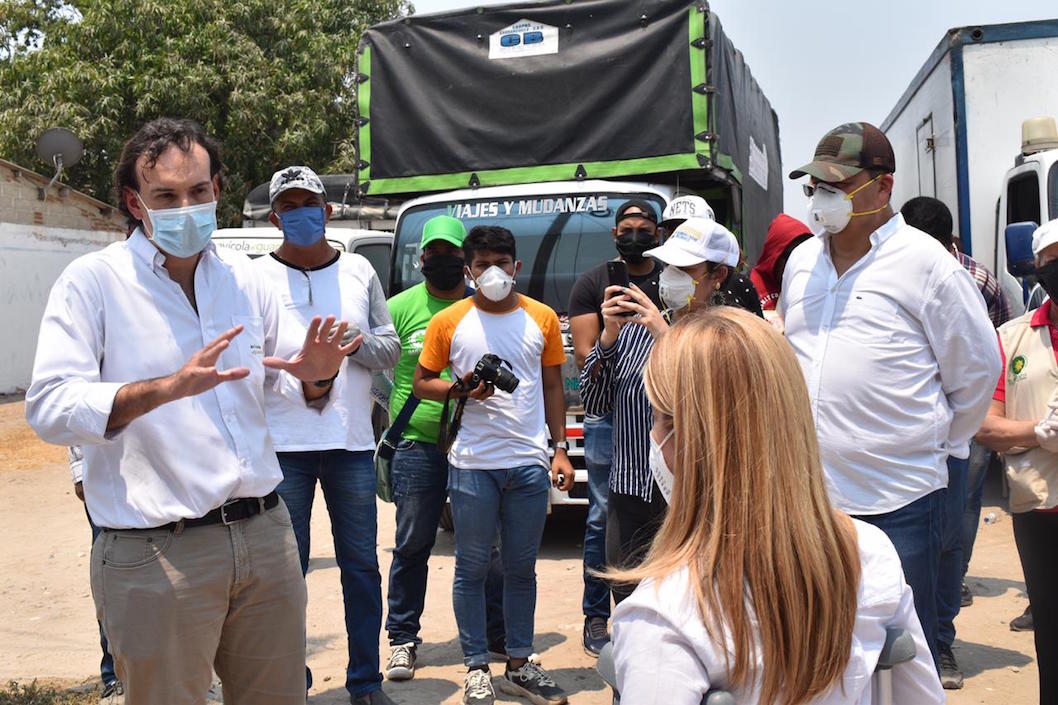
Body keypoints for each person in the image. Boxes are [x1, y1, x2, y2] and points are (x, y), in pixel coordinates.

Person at [25, 118, 356, 705]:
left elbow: (261, 396)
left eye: (198, 192)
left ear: (218, 190)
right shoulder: (93, 284)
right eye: (166, 197)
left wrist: (315, 377)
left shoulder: (242, 280)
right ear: (135, 202)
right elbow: (49, 407)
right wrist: (163, 389)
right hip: (158, 552)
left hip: (266, 537)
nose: (187, 208)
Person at [607, 309, 944, 705]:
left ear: (693, 441)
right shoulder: (869, 552)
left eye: (660, 420)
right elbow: (920, 697)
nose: (652, 436)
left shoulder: (663, 612)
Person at [782, 121, 1002, 669]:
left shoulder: (926, 265)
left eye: (838, 185)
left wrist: (937, 447)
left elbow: (977, 372)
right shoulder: (801, 263)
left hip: (903, 501)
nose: (822, 198)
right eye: (816, 187)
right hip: (815, 500)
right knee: (824, 651)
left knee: (905, 657)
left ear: (883, 188)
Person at [255, 165, 401, 704]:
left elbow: (390, 349)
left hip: (350, 446)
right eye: (289, 207)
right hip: (285, 449)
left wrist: (349, 345)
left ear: (328, 211)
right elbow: (248, 361)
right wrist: (303, 370)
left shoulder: (360, 271)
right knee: (284, 574)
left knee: (361, 567)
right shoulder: (255, 277)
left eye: (309, 204)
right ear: (275, 218)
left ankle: (365, 682)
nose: (301, 215)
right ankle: (292, 681)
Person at [413, 225, 573, 705]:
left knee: (523, 568)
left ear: (516, 267)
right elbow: (423, 382)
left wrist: (559, 448)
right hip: (472, 465)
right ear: (468, 271)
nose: (493, 272)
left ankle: (520, 665)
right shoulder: (450, 320)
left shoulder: (541, 318)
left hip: (527, 462)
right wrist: (460, 389)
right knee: (472, 567)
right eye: (482, 264)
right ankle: (477, 665)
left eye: (501, 262)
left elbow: (552, 387)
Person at [580, 217, 762, 606]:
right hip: (630, 492)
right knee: (630, 602)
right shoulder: (634, 329)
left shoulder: (731, 338)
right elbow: (595, 404)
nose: (672, 277)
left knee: (694, 604)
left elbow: (720, 407)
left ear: (718, 276)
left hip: (697, 500)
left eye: (686, 270)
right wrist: (609, 337)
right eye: (668, 268)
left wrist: (667, 340)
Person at [383, 215, 506, 680]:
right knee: (413, 544)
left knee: (487, 546)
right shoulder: (399, 307)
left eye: (452, 253)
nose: (443, 260)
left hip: (477, 441)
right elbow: (384, 371)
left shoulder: (486, 308)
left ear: (467, 261)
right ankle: (402, 639)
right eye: (433, 253)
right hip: (418, 443)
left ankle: (496, 633)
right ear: (420, 259)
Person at [900, 195, 1016, 688]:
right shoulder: (894, 270)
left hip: (958, 434)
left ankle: (938, 642)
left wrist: (960, 429)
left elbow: (995, 352)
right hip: (914, 438)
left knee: (950, 541)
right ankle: (916, 643)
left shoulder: (971, 280)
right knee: (926, 546)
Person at [566, 198, 664, 656]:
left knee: (665, 521)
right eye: (628, 227)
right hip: (613, 420)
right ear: (614, 234)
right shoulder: (596, 282)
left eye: (645, 227)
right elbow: (588, 359)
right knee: (604, 519)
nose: (636, 234)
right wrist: (613, 333)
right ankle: (597, 615)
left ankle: (659, 616)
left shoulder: (672, 277)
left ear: (658, 234)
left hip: (666, 420)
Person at [974, 218, 1058, 705]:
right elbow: (986, 426)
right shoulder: (1012, 339)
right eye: (1052, 262)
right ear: (1038, 270)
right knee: (1051, 629)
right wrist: (1038, 433)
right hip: (1043, 513)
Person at [69, 446, 124, 705]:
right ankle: (115, 677)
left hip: (174, 478)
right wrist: (80, 470)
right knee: (111, 574)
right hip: (110, 476)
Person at [748, 214, 811, 327]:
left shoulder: (812, 287)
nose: (797, 262)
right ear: (774, 253)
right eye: (790, 256)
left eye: (804, 255)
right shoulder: (746, 286)